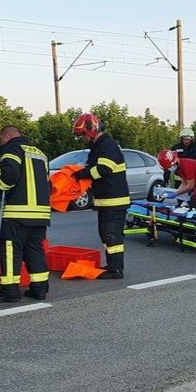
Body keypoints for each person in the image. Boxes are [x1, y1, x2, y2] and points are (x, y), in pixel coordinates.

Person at [0, 126, 51, 303]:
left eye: (1, 140)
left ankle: (10, 291)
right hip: (41, 213)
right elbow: (47, 183)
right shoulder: (39, 153)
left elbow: (10, 174)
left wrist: (1, 189)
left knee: (9, 251)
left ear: (6, 137)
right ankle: (39, 289)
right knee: (35, 250)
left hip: (18, 212)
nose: (1, 143)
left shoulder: (11, 149)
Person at [73, 113, 130, 279]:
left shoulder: (107, 145)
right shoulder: (99, 146)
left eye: (82, 135)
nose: (82, 138)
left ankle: (116, 270)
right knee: (106, 235)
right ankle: (112, 265)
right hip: (106, 201)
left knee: (112, 236)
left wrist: (83, 174)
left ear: (91, 130)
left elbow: (104, 169)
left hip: (114, 201)